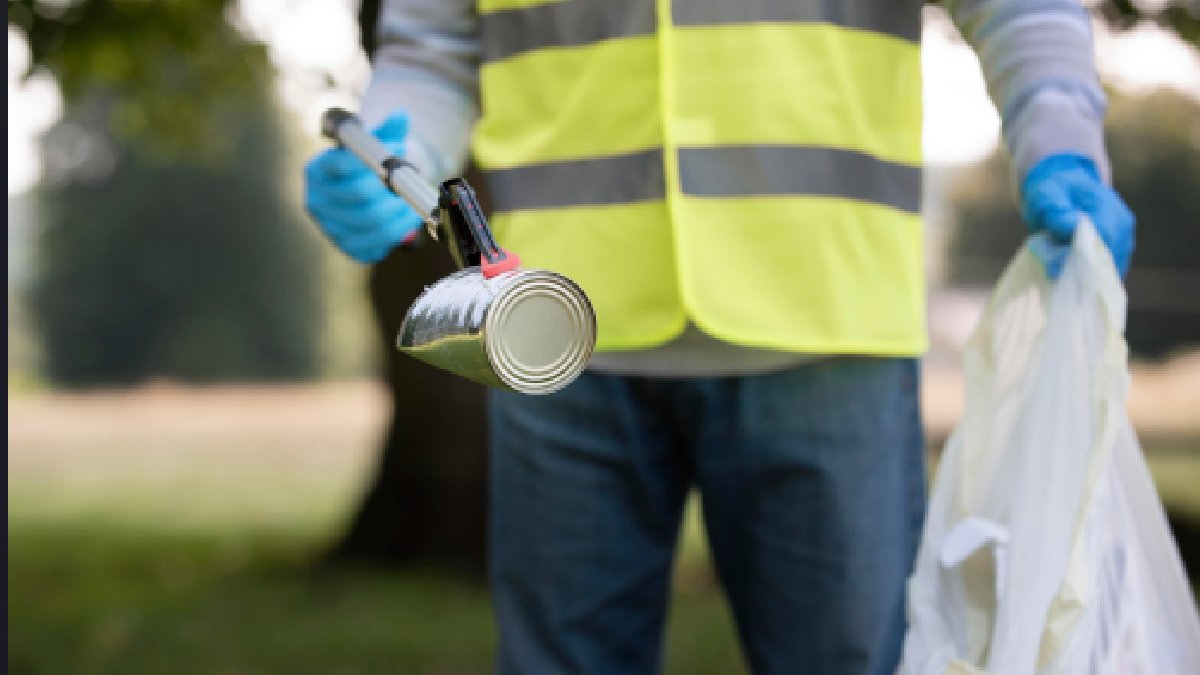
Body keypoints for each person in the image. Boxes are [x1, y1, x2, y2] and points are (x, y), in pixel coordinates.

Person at [304, 1, 1135, 672]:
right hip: (553, 336)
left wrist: (1060, 142)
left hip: (825, 323)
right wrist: (391, 149)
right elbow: (434, 45)